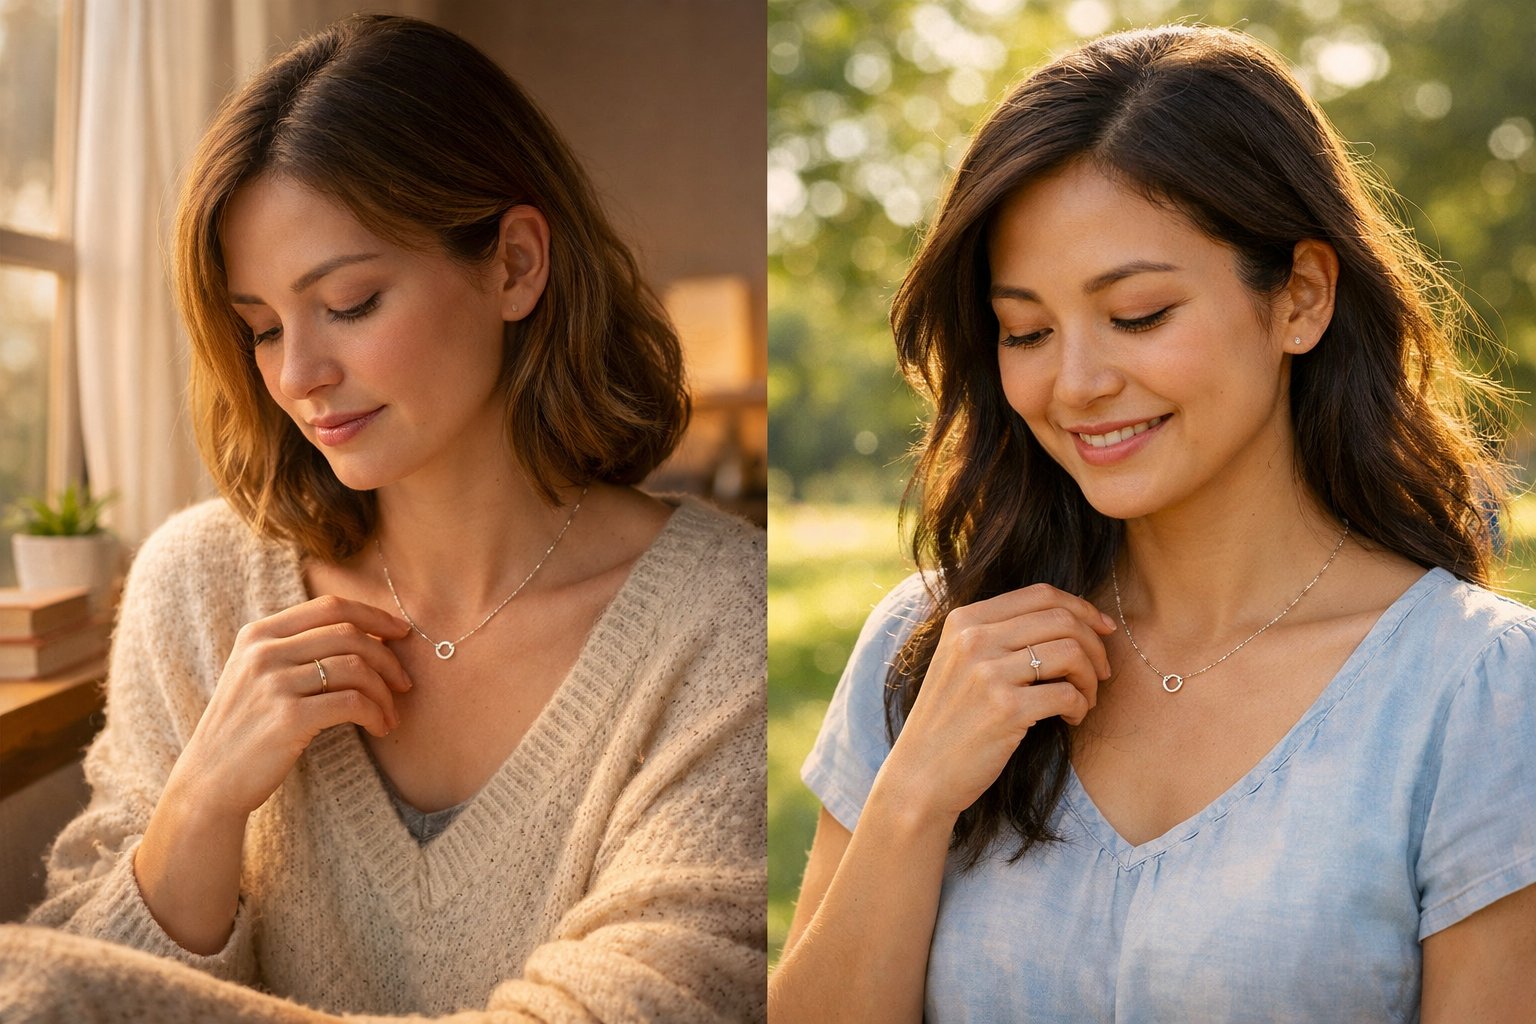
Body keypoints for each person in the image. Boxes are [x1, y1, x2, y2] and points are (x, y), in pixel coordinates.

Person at [0, 14, 765, 1023]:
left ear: (515, 265)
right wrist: (203, 801)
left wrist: (63, 985)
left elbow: (63, 994)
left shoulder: (723, 615)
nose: (299, 375)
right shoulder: (197, 587)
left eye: (351, 303)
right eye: (262, 328)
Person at [770, 25, 1535, 1022]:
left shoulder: (1479, 694)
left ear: (1301, 297)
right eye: (1027, 331)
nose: (1078, 383)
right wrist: (913, 796)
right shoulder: (928, 651)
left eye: (1136, 315)